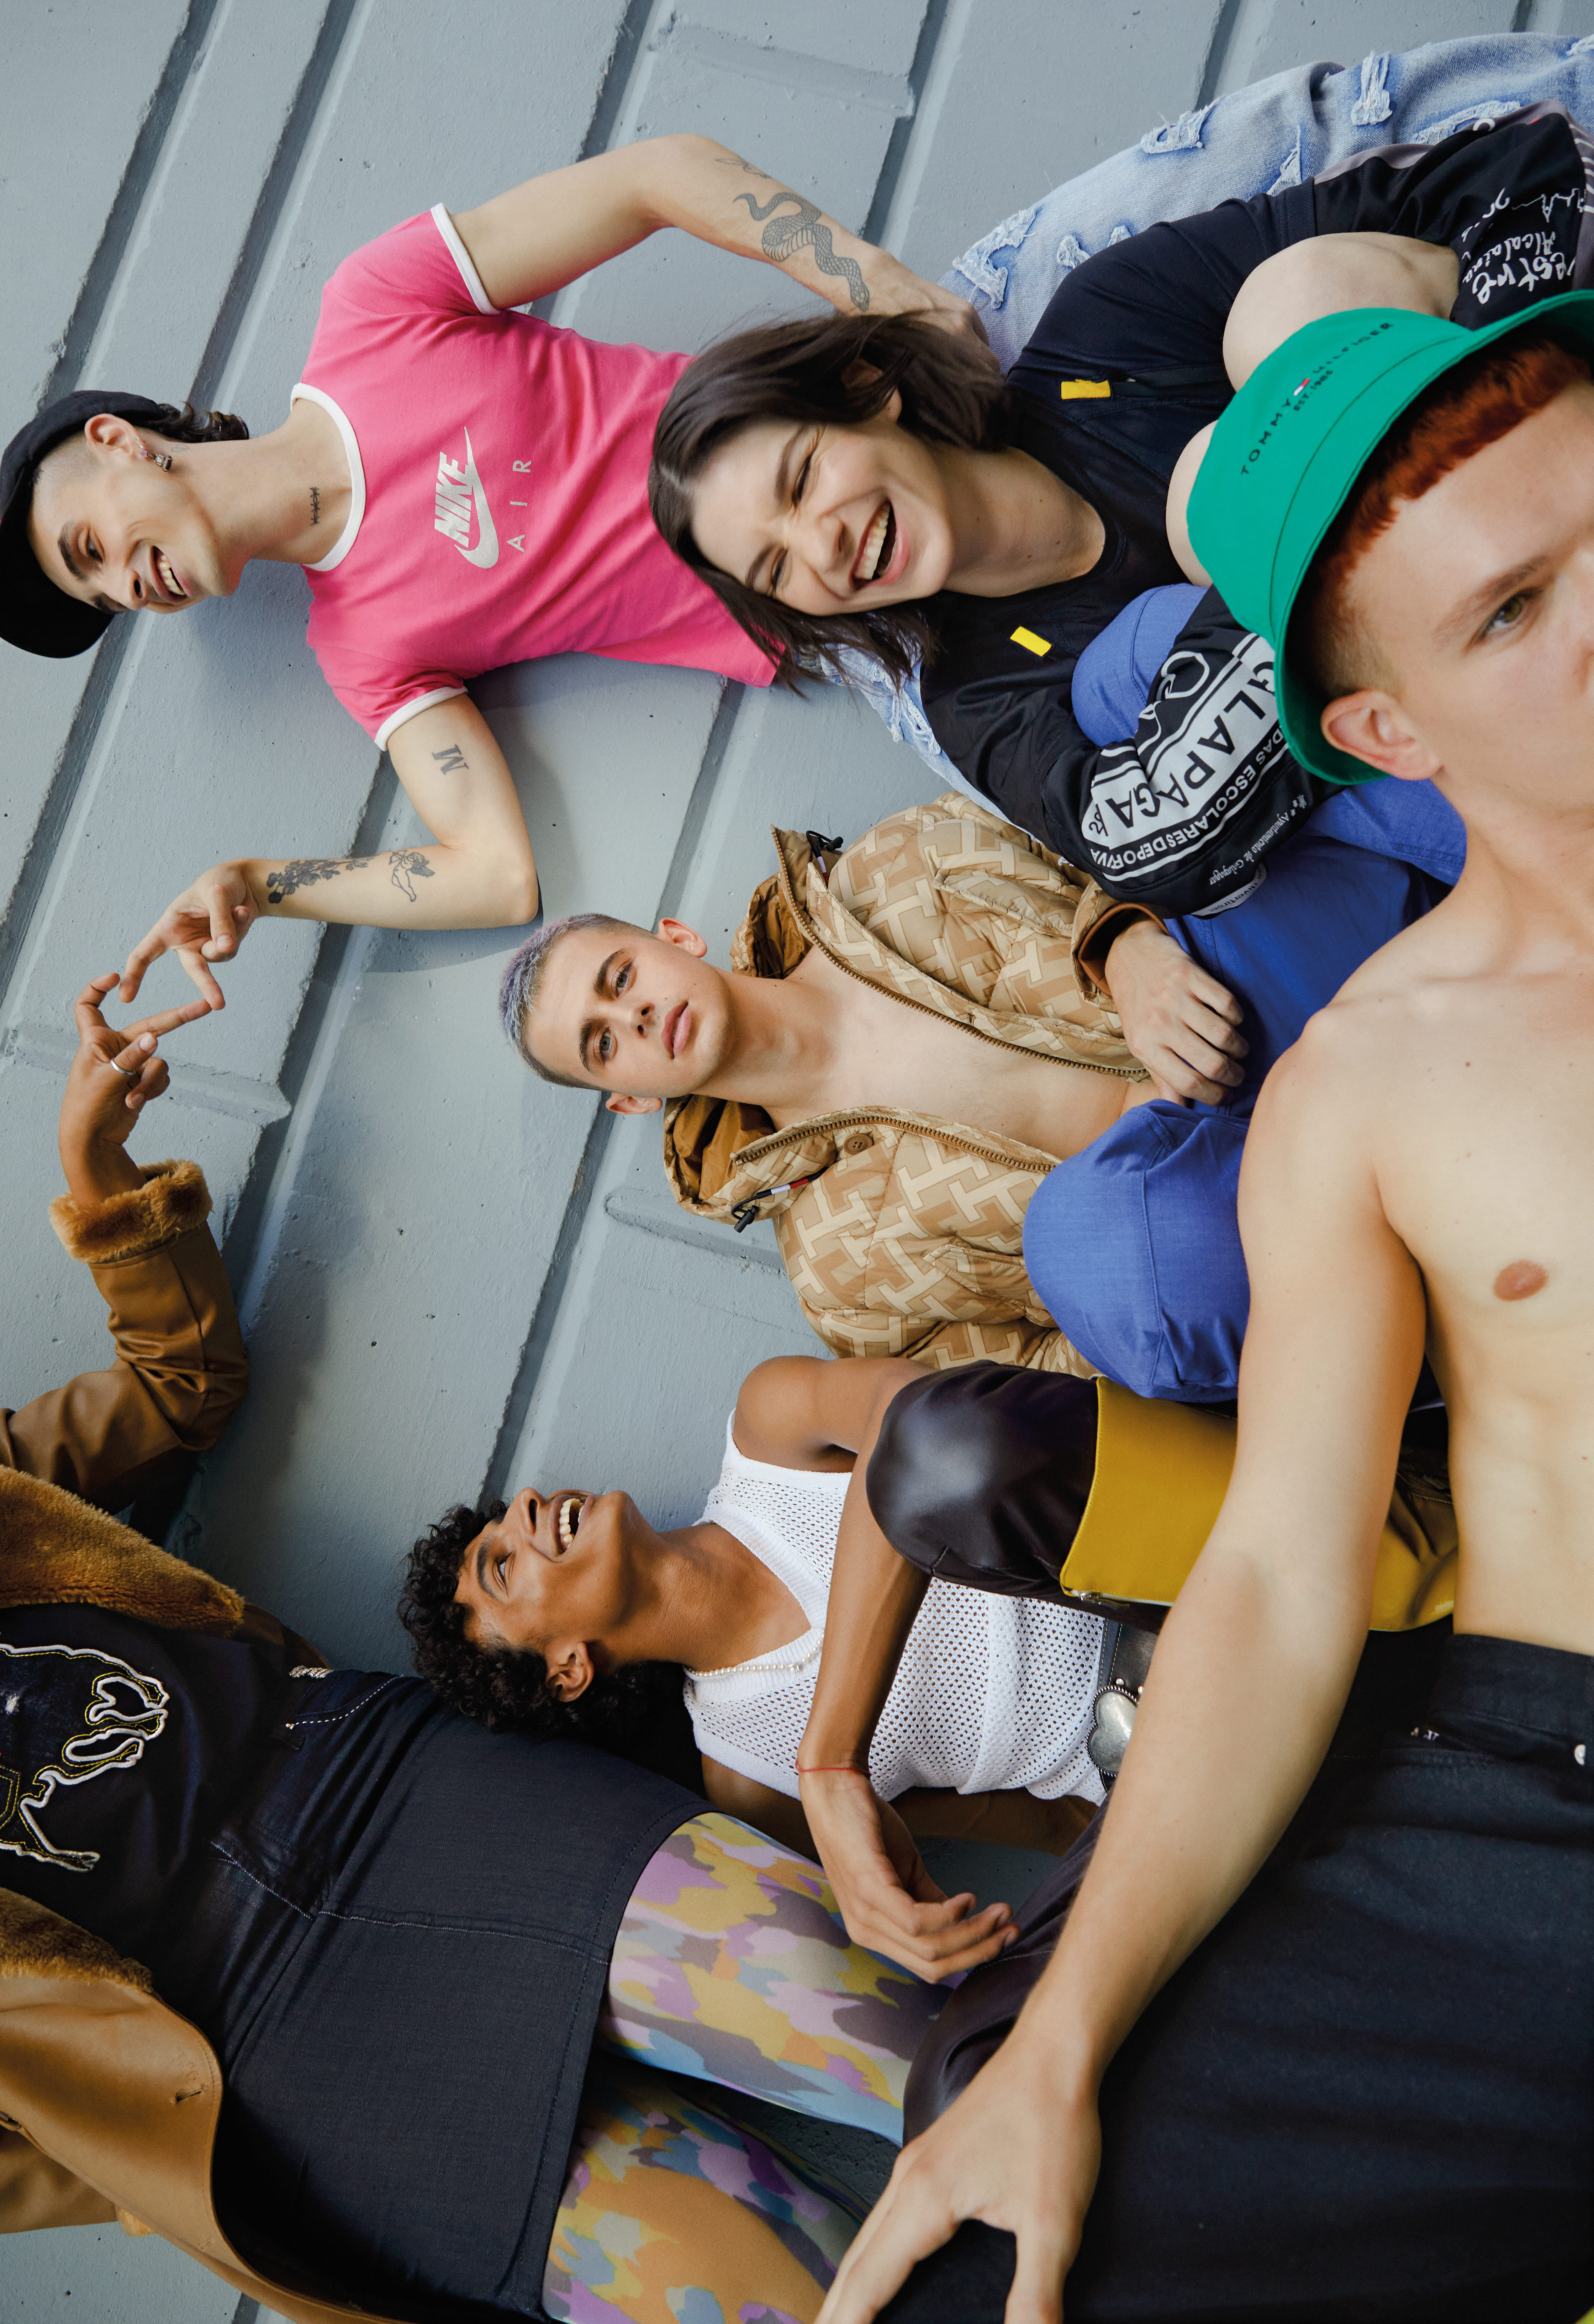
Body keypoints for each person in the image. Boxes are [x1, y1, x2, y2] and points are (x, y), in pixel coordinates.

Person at [809, 301, 1594, 2324]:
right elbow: (1275, 1575)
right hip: (1552, 1811)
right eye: (1515, 611)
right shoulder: (1375, 1086)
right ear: (1392, 729)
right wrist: (1059, 2042)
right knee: (998, 2266)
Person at [0, 986, 1006, 2324]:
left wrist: (99, 1176)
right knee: (794, 2298)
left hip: (389, 1793)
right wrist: (133, 2144)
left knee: (939, 2045)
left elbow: (179, 1387)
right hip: (271, 2062)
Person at [1, 135, 970, 1009]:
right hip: (881, 624)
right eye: (104, 598)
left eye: (91, 549)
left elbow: (654, 176)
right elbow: (496, 876)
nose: (126, 589)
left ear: (118, 441)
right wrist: (262, 885)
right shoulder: (362, 652)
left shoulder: (373, 312)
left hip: (868, 412)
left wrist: (883, 290)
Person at [652, 104, 1590, 917]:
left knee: (1287, 311)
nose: (821, 544)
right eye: (776, 569)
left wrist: (1419, 429)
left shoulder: (1111, 321)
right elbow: (1151, 851)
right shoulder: (974, 693)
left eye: (801, 481)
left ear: (867, 389)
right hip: (1483, 733)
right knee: (1177, 568)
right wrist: (1288, 556)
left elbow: (1527, 173)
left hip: (1541, 488)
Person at [502, 785, 1458, 1403]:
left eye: (620, 977)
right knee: (1094, 1247)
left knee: (1225, 839)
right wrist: (1129, 1197)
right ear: (626, 1100)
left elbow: (1096, 830)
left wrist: (1123, 941)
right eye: (601, 1044)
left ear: (674, 938)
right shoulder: (841, 1278)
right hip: (1230, 1219)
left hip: (1240, 1006)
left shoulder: (898, 864)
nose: (633, 1017)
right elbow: (1058, 1376)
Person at [400, 1352, 1108, 1869]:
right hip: (1130, 1761)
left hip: (1140, 1536)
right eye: (502, 1566)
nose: (526, 1503)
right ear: (566, 1671)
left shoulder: (770, 1436)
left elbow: (920, 1411)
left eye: (502, 1520)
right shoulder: (752, 1781)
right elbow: (1055, 1824)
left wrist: (829, 1756)